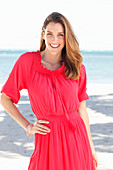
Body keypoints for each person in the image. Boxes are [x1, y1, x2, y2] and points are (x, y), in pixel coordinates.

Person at [0, 12, 98, 170]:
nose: (54, 40)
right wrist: (27, 126)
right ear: (43, 34)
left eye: (60, 35)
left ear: (66, 38)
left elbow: (82, 110)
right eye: (50, 34)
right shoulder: (27, 62)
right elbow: (5, 98)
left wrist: (91, 147)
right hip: (47, 138)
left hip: (77, 138)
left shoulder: (77, 67)